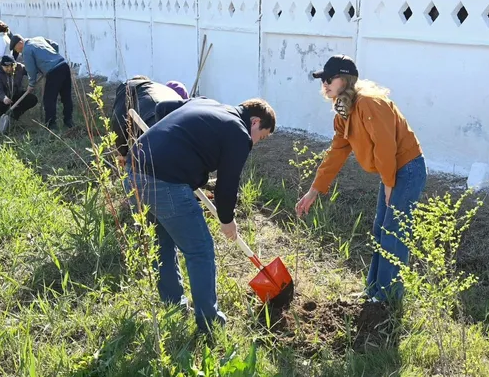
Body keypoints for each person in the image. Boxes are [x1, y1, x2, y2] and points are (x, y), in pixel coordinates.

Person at [124, 97, 276, 332]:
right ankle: (210, 324)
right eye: (261, 137)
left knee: (162, 243)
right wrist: (227, 220)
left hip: (133, 171)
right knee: (200, 250)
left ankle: (173, 306)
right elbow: (227, 184)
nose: (255, 143)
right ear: (255, 121)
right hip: (165, 182)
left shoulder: (206, 103)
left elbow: (162, 108)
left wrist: (174, 146)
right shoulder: (239, 133)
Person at [295, 55, 426, 303]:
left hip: (406, 169)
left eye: (329, 78)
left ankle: (387, 299)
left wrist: (389, 183)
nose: (324, 84)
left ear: (345, 79)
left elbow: (385, 145)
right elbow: (336, 153)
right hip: (392, 171)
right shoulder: (344, 110)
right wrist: (314, 191)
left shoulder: (369, 103)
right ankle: (373, 292)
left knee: (393, 232)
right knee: (380, 230)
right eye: (322, 80)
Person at [111, 75, 187, 158]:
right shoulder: (159, 88)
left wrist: (122, 153)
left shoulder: (127, 87)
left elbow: (118, 122)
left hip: (155, 122)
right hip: (182, 122)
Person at [10, 34, 72, 130]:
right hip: (64, 65)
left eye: (16, 49)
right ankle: (69, 122)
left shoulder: (26, 50)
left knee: (49, 99)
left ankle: (51, 125)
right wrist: (52, 58)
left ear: (20, 42)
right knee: (66, 97)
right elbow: (55, 45)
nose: (18, 51)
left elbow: (31, 70)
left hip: (53, 72)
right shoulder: (38, 39)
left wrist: (31, 84)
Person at [0, 55, 38, 120]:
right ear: (2, 66)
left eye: (11, 66)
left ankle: (14, 115)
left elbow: (30, 71)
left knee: (32, 99)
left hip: (16, 94)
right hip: (4, 97)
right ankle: (3, 117)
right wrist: (4, 98)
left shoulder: (19, 67)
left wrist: (37, 71)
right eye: (6, 67)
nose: (9, 69)